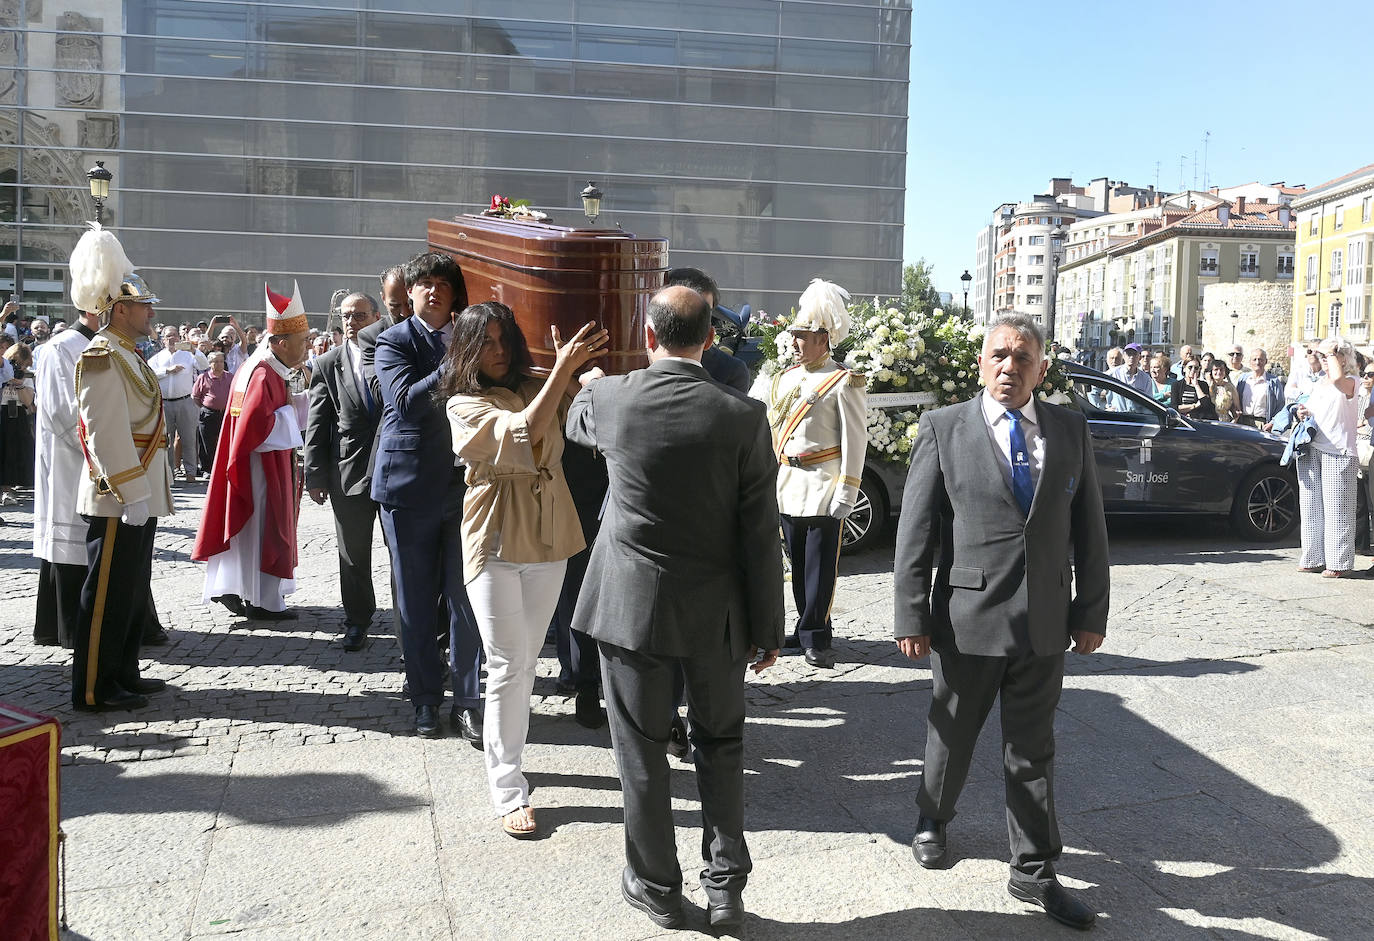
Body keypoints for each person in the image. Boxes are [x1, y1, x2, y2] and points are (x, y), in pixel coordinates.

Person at [566, 285, 784, 933]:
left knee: (640, 751)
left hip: (629, 607)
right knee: (721, 745)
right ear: (710, 340)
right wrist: (769, 626)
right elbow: (759, 531)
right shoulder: (743, 415)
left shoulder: (609, 400)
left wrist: (594, 376)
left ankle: (658, 885)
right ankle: (725, 888)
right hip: (718, 613)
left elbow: (578, 419)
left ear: (649, 334)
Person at [895, 313, 1109, 931]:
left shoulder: (1069, 429)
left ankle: (1034, 869)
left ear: (1042, 368)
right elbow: (916, 533)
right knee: (952, 734)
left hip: (1044, 623)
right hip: (967, 620)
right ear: (981, 362)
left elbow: (1090, 528)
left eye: (1022, 358)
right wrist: (912, 613)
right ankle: (933, 817)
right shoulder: (944, 428)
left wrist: (1090, 609)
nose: (1009, 368)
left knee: (1033, 750)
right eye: (998, 356)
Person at [442, 302, 607, 837]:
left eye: (504, 339)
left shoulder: (533, 383)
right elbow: (525, 431)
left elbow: (578, 422)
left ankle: (508, 758)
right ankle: (508, 786)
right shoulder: (463, 403)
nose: (498, 351)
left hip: (549, 531)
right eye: (485, 342)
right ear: (466, 349)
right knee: (509, 664)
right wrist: (560, 373)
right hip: (493, 536)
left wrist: (583, 379)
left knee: (528, 659)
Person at [372, 252, 484, 741]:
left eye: (443, 284)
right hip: (408, 486)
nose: (433, 292)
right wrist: (457, 362)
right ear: (410, 292)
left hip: (466, 487)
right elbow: (406, 404)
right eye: (424, 284)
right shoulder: (392, 340)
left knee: (466, 600)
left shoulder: (473, 335)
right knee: (416, 602)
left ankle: (467, 700)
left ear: (456, 293)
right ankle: (423, 699)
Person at [67, 223, 173, 711]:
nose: (152, 311)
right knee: (106, 593)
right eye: (143, 304)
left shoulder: (129, 353)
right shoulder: (103, 356)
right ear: (121, 309)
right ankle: (93, 686)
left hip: (137, 493)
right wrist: (132, 492)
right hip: (117, 496)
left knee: (129, 592)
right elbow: (105, 432)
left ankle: (123, 672)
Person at [748, 278, 867, 669]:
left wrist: (847, 490)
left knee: (820, 568)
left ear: (824, 338)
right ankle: (804, 627)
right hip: (788, 482)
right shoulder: (783, 379)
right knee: (796, 565)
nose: (796, 342)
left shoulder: (843, 381)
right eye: (795, 335)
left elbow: (855, 439)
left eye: (804, 336)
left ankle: (817, 636)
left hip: (822, 482)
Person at [192, 282, 311, 619]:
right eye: (302, 343)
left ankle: (240, 589)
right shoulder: (262, 373)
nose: (307, 348)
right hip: (261, 468)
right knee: (262, 530)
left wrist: (300, 402)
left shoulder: (262, 367)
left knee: (252, 532)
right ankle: (262, 600)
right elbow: (258, 427)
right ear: (282, 342)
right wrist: (294, 409)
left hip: (257, 465)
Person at [304, 292, 384, 651]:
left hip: (393, 468)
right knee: (352, 554)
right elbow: (317, 423)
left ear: (376, 317)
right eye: (347, 317)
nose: (352, 323)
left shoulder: (393, 354)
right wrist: (315, 475)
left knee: (403, 555)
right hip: (348, 473)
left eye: (360, 316)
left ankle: (412, 626)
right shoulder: (327, 363)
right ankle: (357, 620)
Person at [32, 306, 101, 647]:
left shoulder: (108, 344)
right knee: (71, 542)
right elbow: (62, 412)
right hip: (71, 459)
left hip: (99, 456)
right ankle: (69, 625)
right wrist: (103, 447)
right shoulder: (62, 347)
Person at [1294, 336, 1360, 578]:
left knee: (1338, 509)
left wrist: (1330, 351)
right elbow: (1315, 409)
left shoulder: (1352, 381)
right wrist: (1303, 413)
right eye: (1321, 356)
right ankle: (1313, 558)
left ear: (1343, 357)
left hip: (1339, 451)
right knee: (1310, 507)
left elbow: (1338, 380)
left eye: (1329, 355)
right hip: (1313, 446)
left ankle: (1339, 563)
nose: (1323, 360)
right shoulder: (1320, 382)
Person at [664, 266, 750, 392]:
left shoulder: (730, 371)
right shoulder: (634, 361)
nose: (694, 321)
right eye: (684, 310)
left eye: (704, 312)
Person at [148, 324, 209, 481]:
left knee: (188, 438)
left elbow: (204, 365)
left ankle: (190, 472)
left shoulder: (187, 355)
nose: (172, 338)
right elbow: (149, 374)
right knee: (166, 440)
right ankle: (169, 473)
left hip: (185, 401)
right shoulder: (157, 358)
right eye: (168, 336)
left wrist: (193, 350)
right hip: (165, 403)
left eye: (175, 335)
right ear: (163, 340)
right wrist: (167, 371)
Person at [1, 343, 36, 503]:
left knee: (14, 451)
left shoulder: (27, 376)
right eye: (15, 362)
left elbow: (29, 402)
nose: (18, 366)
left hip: (17, 415)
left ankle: (8, 488)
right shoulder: (3, 371)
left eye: (22, 364)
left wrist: (19, 384)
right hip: (2, 412)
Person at [191, 351, 232, 470]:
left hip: (225, 413)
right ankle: (207, 469)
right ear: (210, 363)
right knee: (206, 442)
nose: (219, 364)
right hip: (208, 413)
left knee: (225, 441)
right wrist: (206, 407)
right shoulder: (203, 377)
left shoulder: (230, 376)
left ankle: (224, 466)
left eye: (221, 361)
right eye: (215, 362)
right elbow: (195, 396)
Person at [1236, 348, 1285, 430]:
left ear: (1266, 361)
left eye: (1260, 359)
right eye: (1254, 359)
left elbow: (1280, 406)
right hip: (1242, 422)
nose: (1257, 362)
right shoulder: (1243, 379)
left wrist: (1272, 423)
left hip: (1262, 424)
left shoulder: (1273, 382)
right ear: (1250, 362)